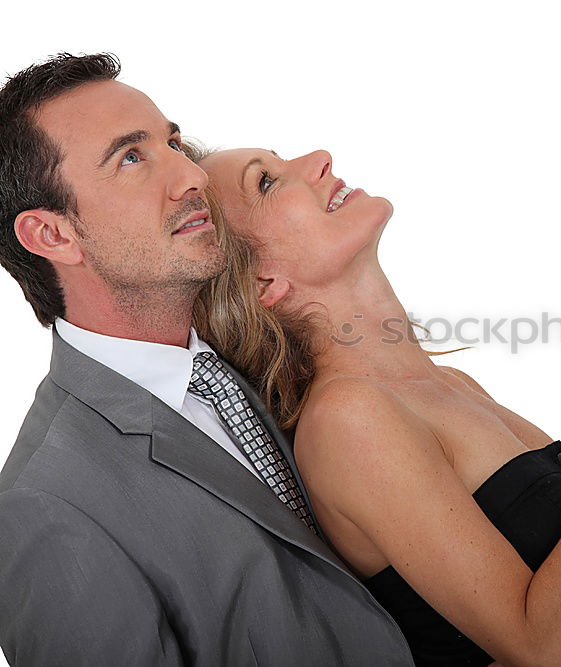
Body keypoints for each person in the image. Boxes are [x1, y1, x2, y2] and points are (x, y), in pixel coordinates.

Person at [191, 143, 561, 665]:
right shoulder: (347, 419)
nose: (318, 157)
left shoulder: (453, 385)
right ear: (263, 283)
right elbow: (546, 648)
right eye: (266, 182)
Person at [0, 53, 415, 666]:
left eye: (172, 142)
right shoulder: (45, 508)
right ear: (53, 235)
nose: (190, 176)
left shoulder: (266, 358)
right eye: (132, 157)